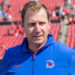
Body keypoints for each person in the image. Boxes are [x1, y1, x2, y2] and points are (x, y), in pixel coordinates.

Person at [0, 1, 75, 75]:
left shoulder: (68, 55)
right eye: (32, 24)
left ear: (49, 24)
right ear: (23, 26)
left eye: (41, 23)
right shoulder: (9, 56)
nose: (37, 30)